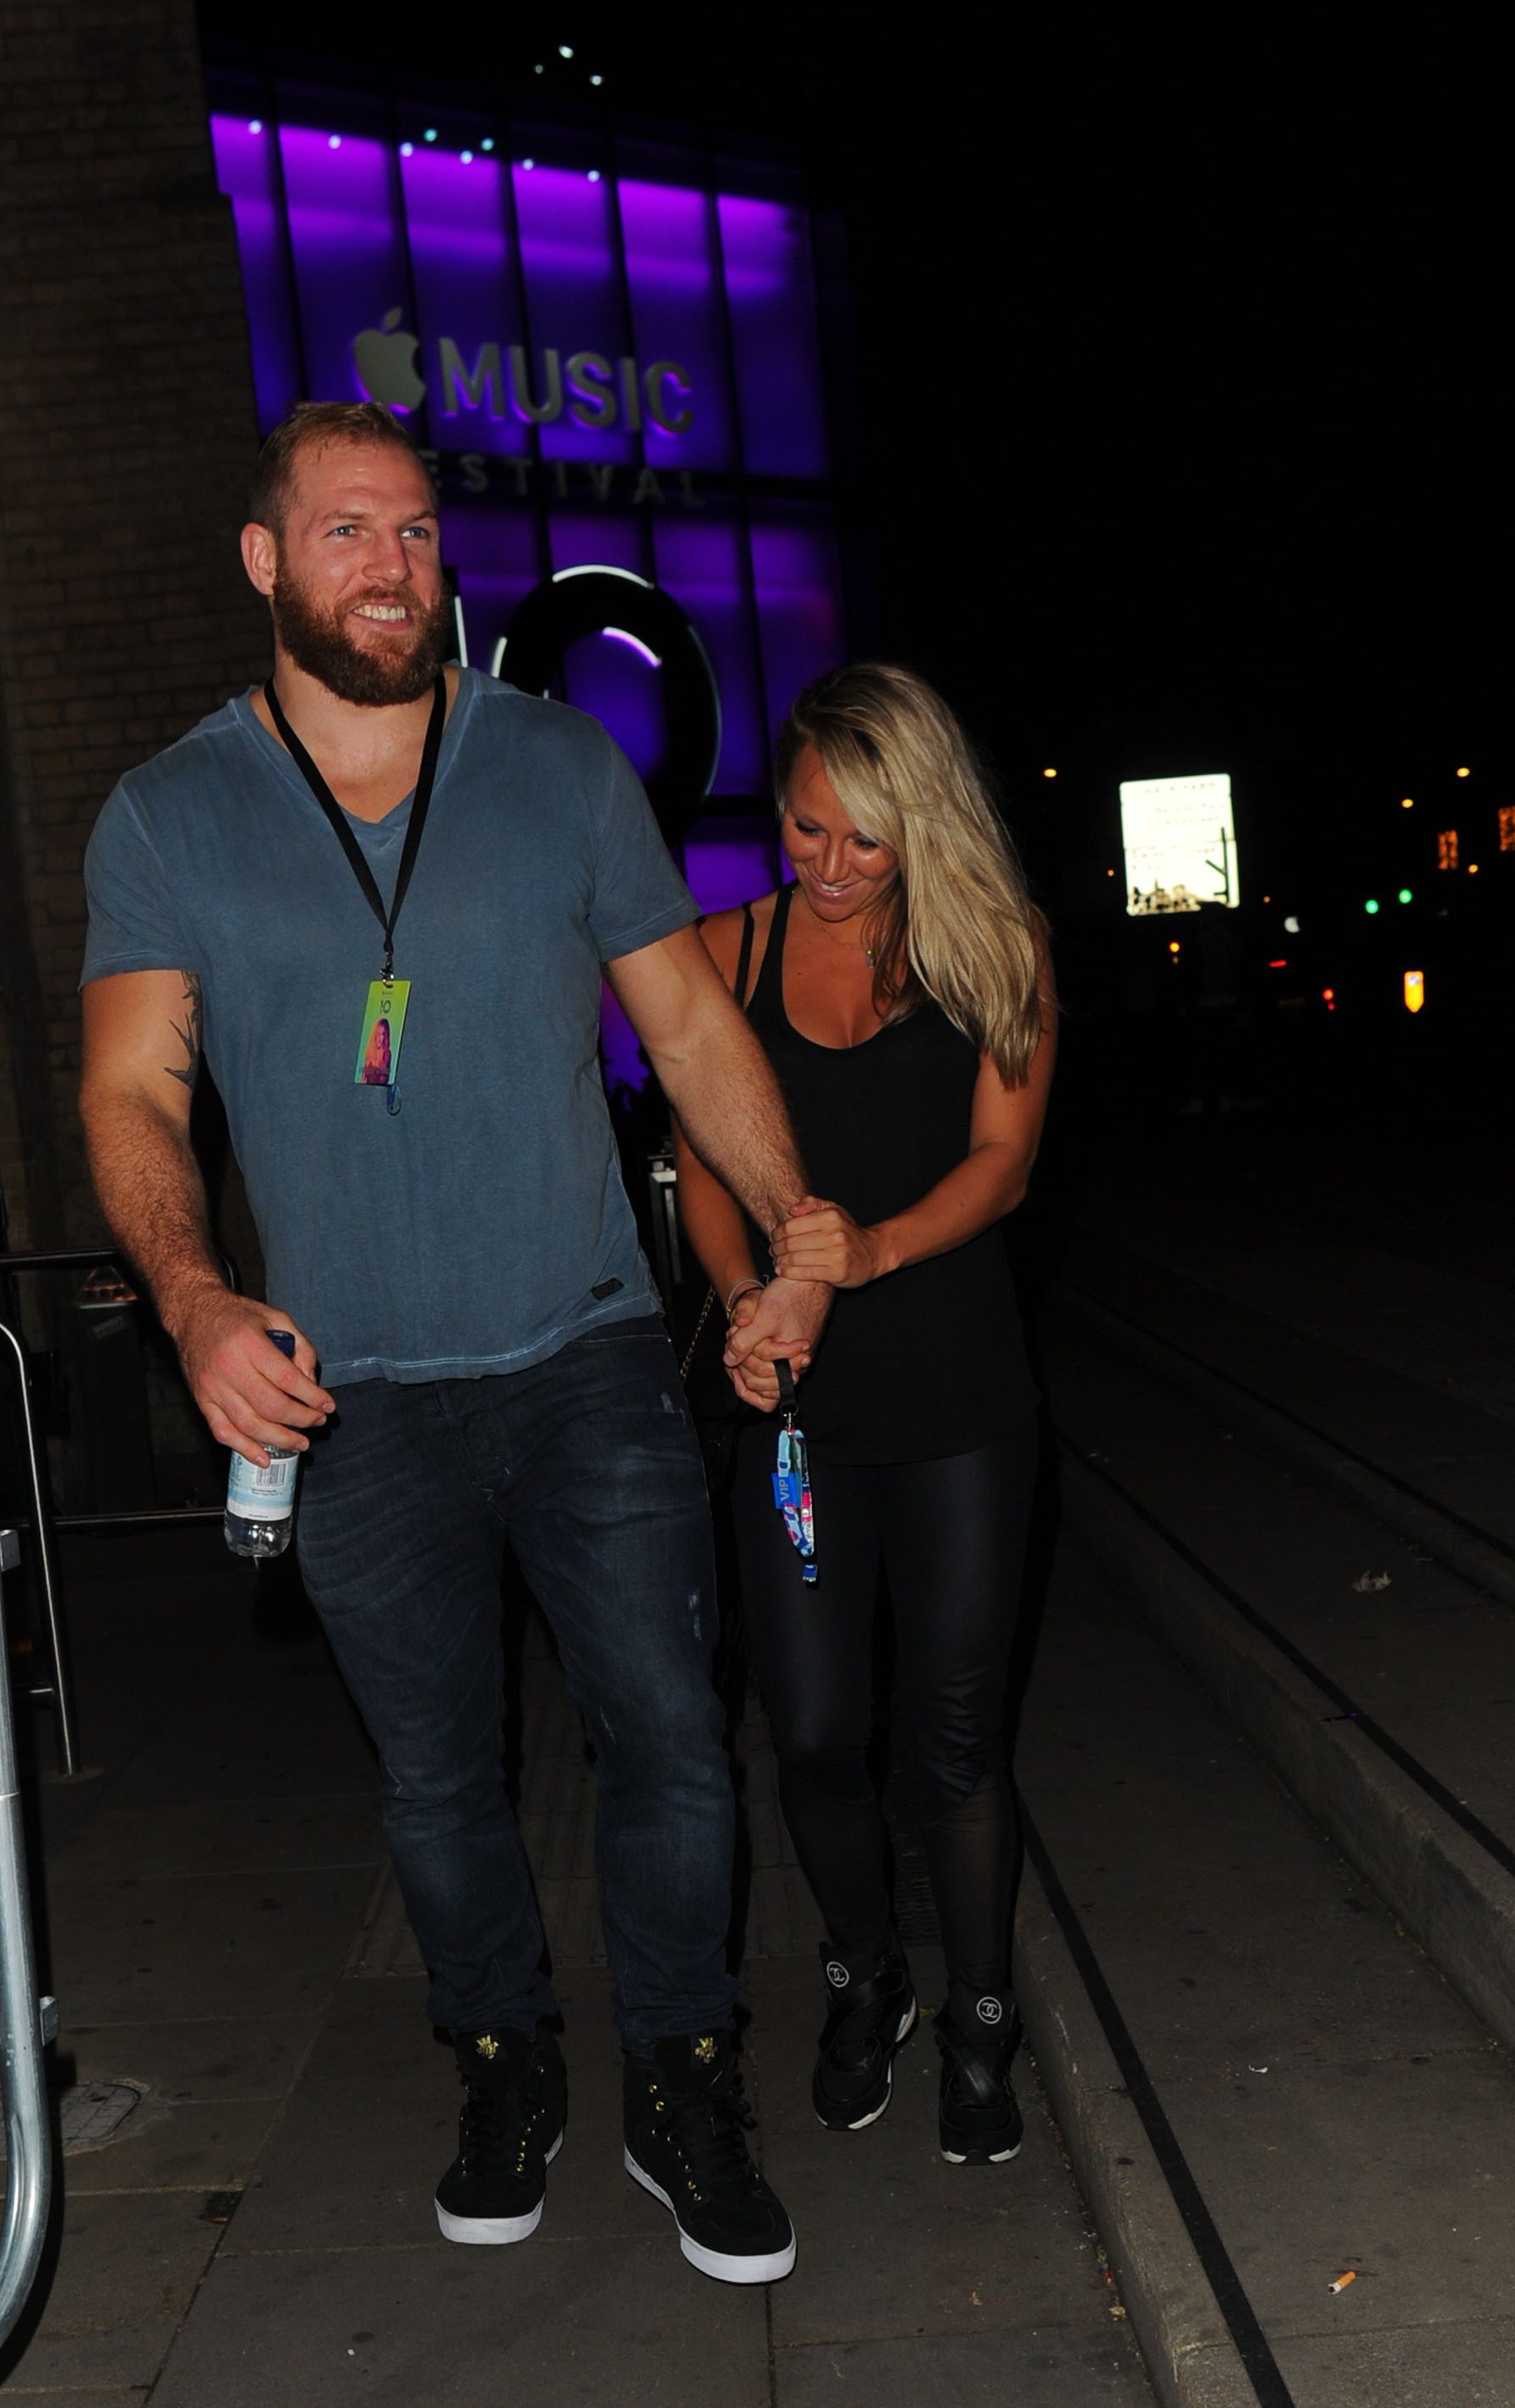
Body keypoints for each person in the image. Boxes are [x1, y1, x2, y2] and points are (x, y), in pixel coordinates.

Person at [79, 401, 831, 2283]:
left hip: (585, 1350)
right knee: (435, 1782)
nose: (391, 565)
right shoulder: (170, 812)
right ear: (266, 561)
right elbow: (133, 1089)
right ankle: (504, 2063)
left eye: (413, 531)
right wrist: (193, 1299)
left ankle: (682, 2079)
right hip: (345, 1395)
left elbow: (689, 1025)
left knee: (672, 1738)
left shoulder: (559, 766)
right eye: (346, 531)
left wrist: (793, 1237)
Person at [675, 663, 1055, 2163]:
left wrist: (870, 1253)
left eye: (863, 839)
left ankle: (981, 2019)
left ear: (925, 824)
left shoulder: (995, 945)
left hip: (960, 1398)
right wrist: (745, 1299)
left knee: (953, 1742)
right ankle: (867, 1973)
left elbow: (1005, 1163)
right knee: (817, 1732)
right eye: (804, 825)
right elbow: (705, 1168)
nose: (827, 864)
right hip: (796, 1417)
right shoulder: (725, 948)